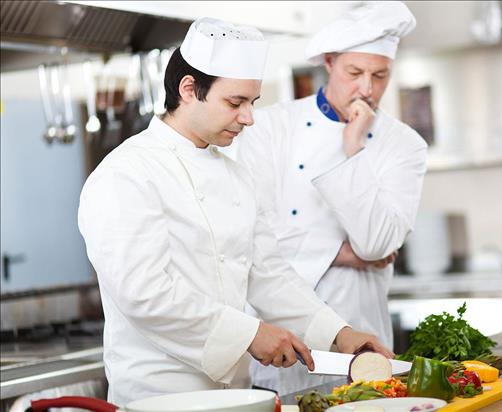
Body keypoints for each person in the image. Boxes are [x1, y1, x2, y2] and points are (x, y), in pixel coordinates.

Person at [78, 17, 392, 405]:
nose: (248, 117)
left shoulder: (236, 174)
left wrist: (339, 334)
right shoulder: (125, 174)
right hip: (160, 398)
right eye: (235, 102)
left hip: (238, 397)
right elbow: (144, 294)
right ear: (189, 89)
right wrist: (249, 335)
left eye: (252, 102)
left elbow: (268, 273)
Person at [233, 2, 428, 394]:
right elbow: (253, 237)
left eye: (380, 75)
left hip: (361, 332)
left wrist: (353, 147)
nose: (367, 89)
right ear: (329, 63)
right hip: (283, 337)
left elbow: (377, 242)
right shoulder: (269, 127)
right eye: (355, 73)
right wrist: (343, 253)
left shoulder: (403, 145)